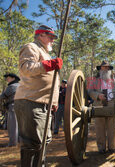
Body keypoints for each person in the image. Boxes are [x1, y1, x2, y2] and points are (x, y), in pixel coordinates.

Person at [14, 25, 63, 167]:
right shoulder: (31, 47)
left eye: (53, 38)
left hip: (41, 103)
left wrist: (53, 102)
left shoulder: (44, 52)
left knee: (43, 141)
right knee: (32, 144)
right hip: (30, 100)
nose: (52, 41)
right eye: (50, 37)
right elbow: (26, 68)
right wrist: (48, 65)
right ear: (40, 35)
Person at [88, 60, 115, 154]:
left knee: (112, 128)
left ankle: (112, 147)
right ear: (100, 69)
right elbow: (90, 92)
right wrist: (98, 96)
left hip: (112, 104)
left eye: (108, 67)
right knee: (99, 128)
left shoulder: (114, 80)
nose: (106, 69)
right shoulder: (94, 80)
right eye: (104, 67)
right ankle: (101, 148)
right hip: (99, 104)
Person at [0, 73, 20, 147]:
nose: (6, 79)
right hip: (20, 107)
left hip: (13, 107)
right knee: (19, 125)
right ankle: (19, 141)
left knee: (12, 126)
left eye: (8, 78)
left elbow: (2, 96)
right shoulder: (20, 85)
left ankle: (12, 143)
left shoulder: (12, 86)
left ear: (13, 78)